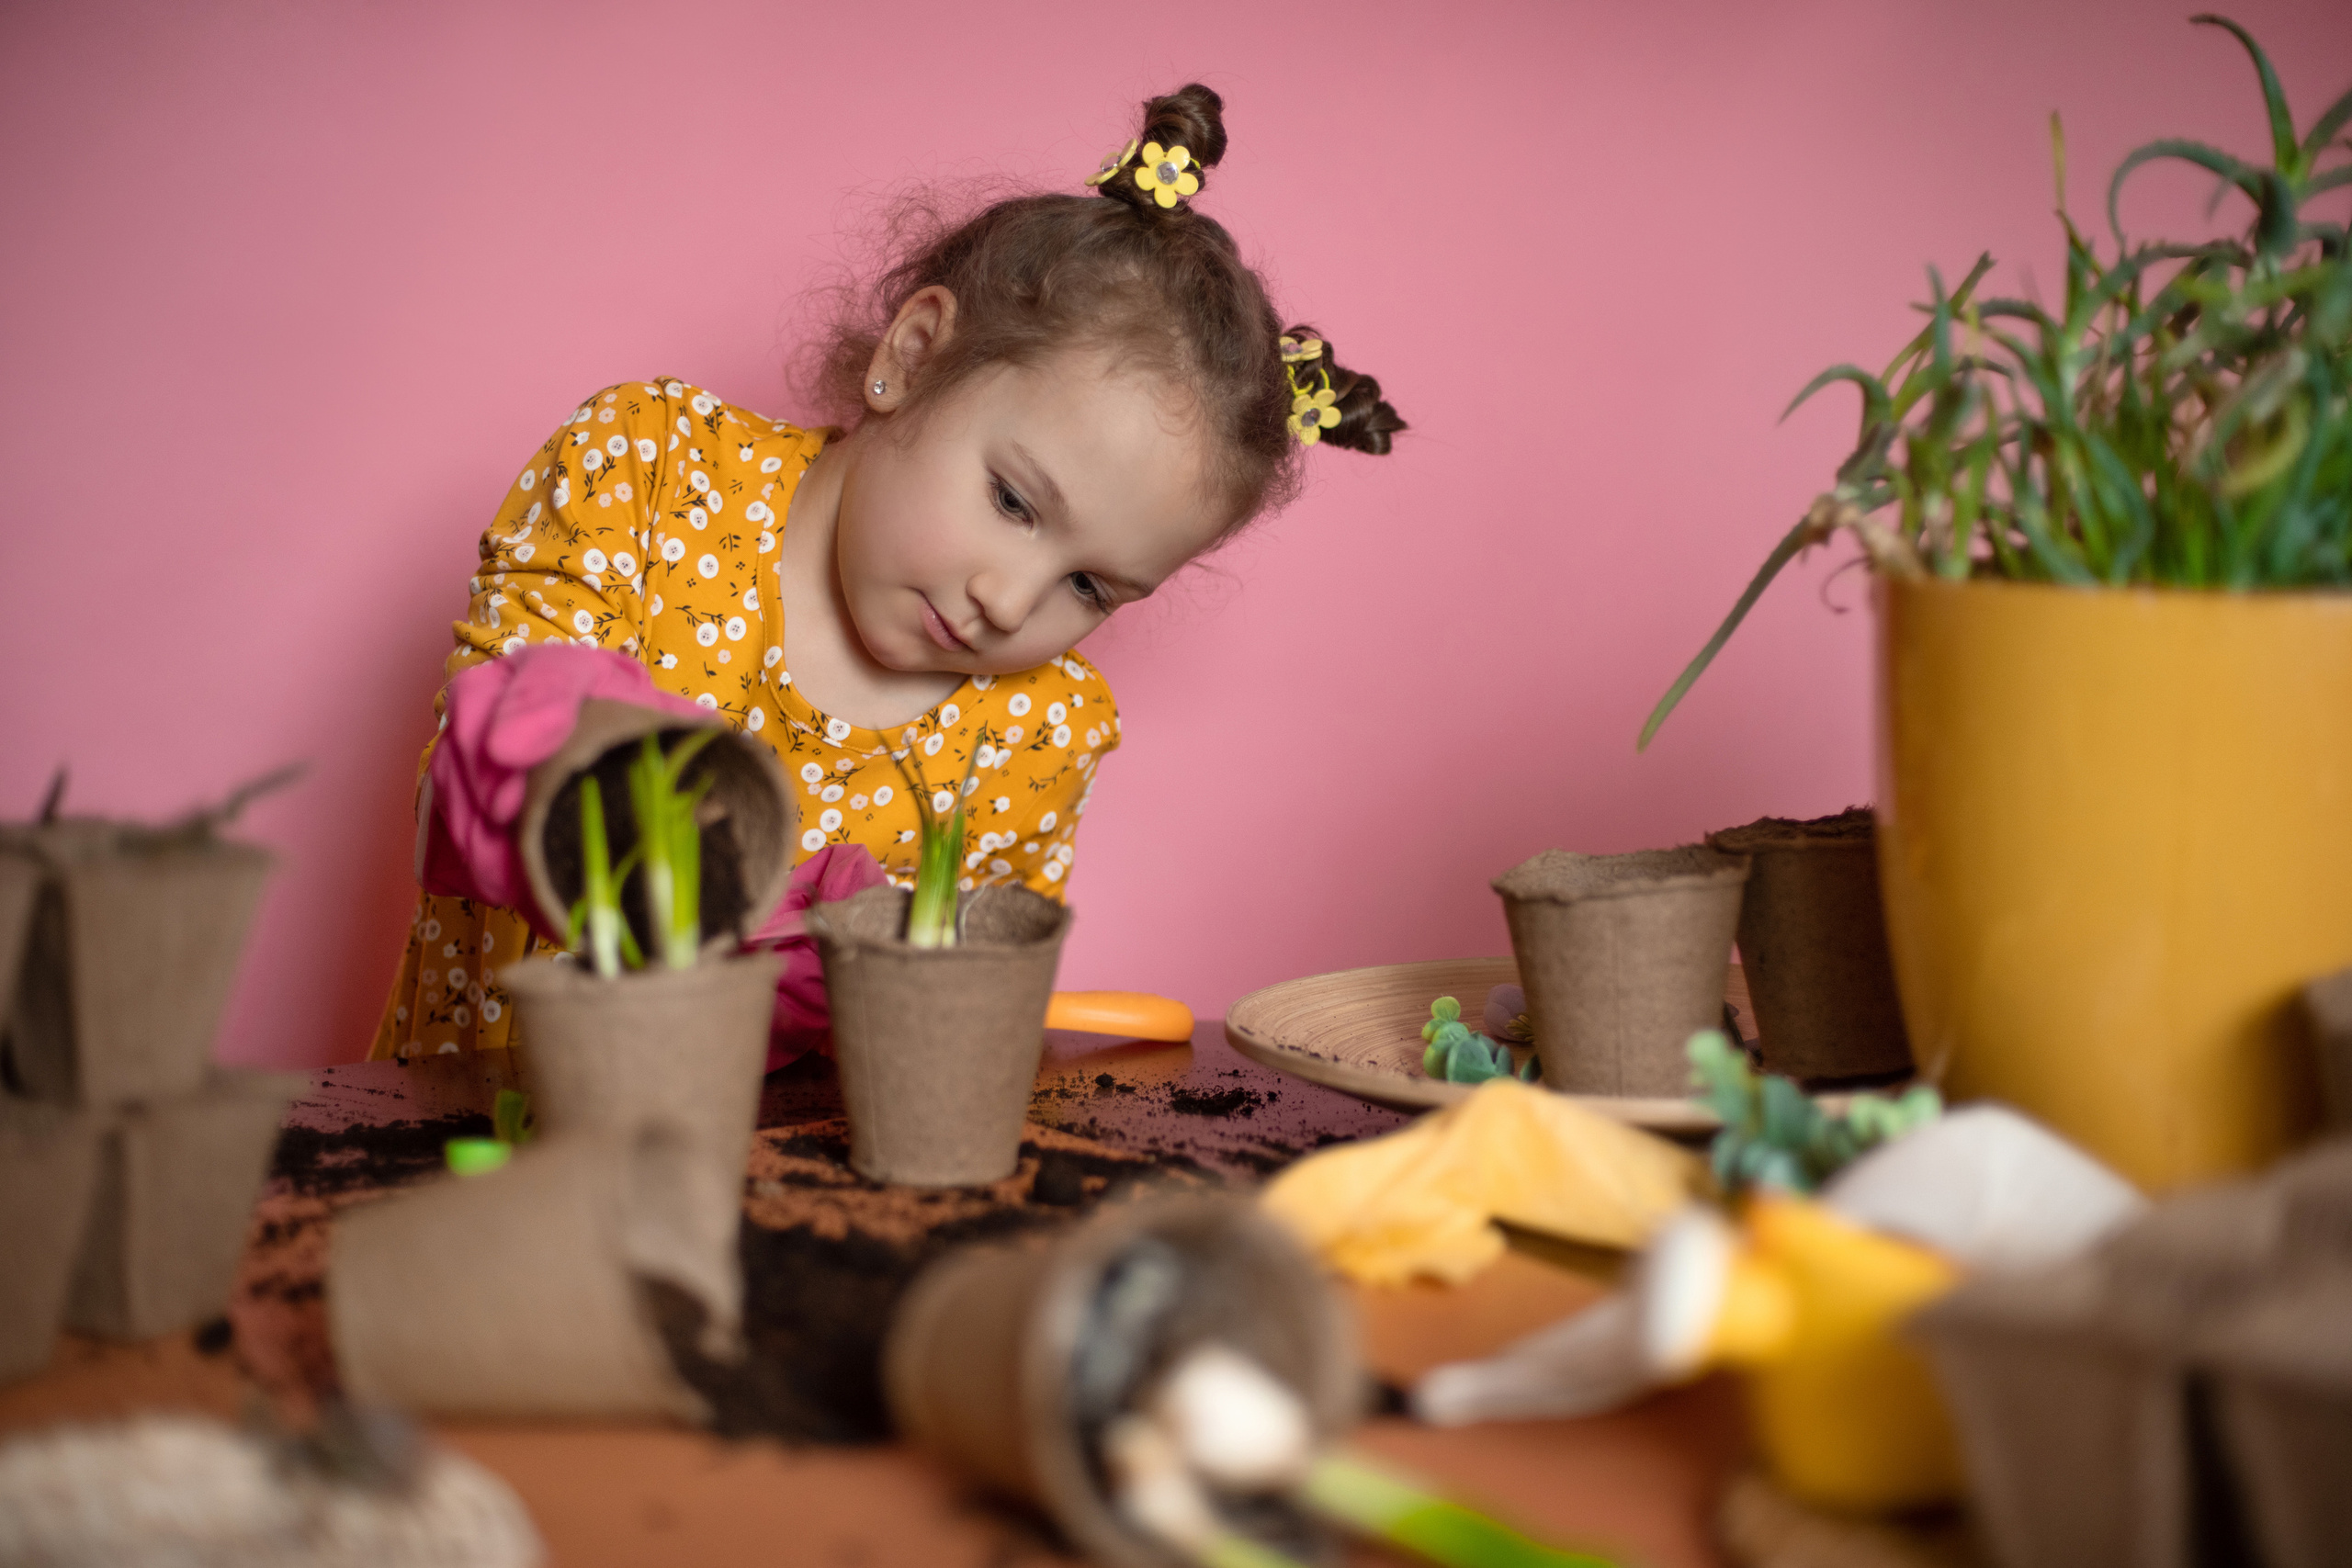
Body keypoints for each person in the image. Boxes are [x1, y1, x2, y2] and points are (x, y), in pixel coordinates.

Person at [370, 84, 1406, 1064]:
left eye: (1089, 588)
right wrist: (642, 811)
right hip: (451, 1138)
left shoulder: (1039, 736)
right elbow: (444, 819)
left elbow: (935, 1050)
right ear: (910, 356)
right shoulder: (648, 472)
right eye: (1010, 502)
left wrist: (882, 982)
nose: (1006, 603)